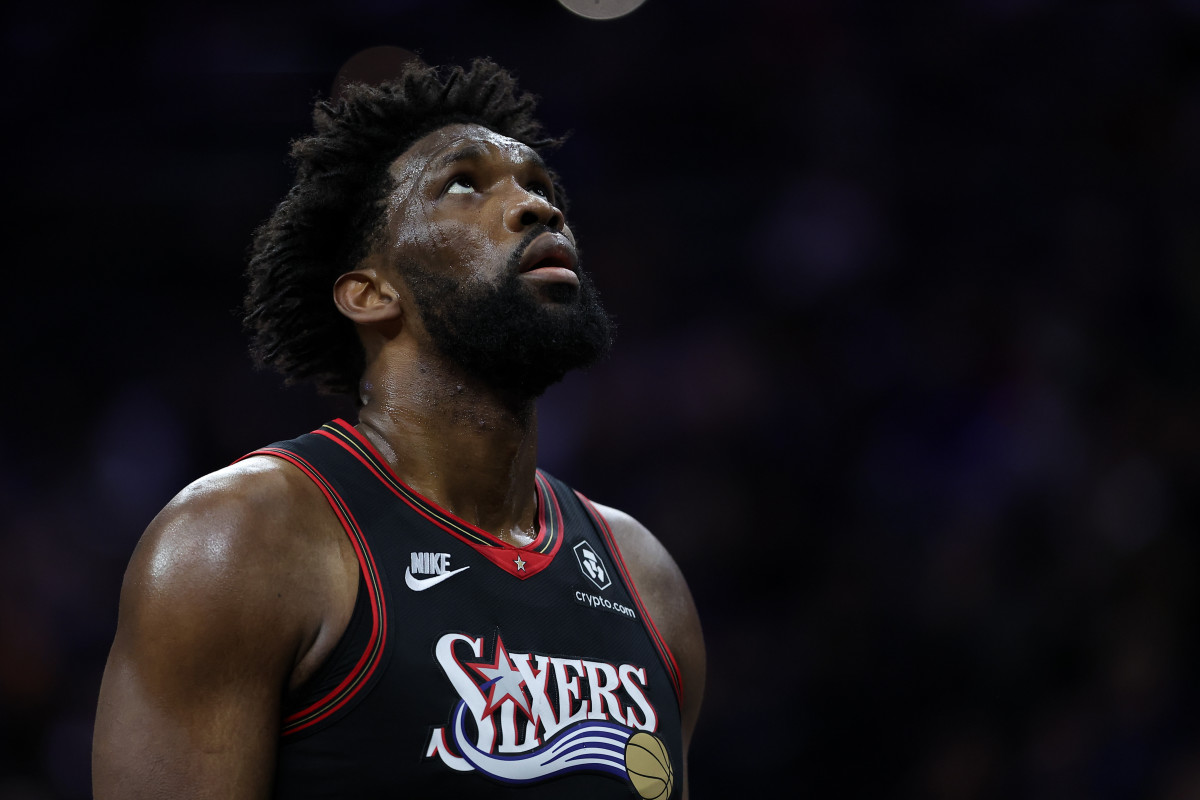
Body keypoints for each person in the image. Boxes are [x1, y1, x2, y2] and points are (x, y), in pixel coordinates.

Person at [92, 58, 705, 799]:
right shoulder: (243, 538)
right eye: (464, 184)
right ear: (371, 292)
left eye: (542, 187)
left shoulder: (645, 577)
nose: (536, 208)